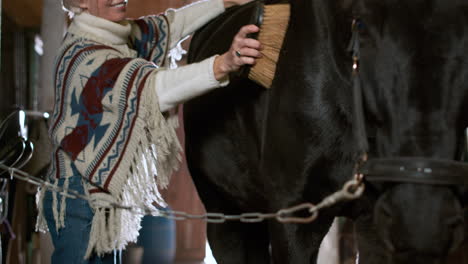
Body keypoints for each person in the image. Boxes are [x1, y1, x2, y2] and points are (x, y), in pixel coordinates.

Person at [35, 0, 262, 262]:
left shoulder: (117, 35)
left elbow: (171, 25)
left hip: (101, 193)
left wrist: (225, 1)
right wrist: (222, 65)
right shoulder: (84, 55)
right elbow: (153, 89)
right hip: (78, 198)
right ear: (82, 2)